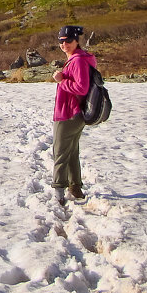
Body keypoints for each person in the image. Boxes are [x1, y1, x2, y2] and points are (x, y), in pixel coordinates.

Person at [51, 25, 96, 205]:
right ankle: (75, 188)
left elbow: (82, 88)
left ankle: (59, 193)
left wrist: (62, 81)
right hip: (74, 112)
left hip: (69, 113)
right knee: (71, 152)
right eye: (61, 41)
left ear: (77, 40)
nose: (64, 44)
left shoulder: (77, 61)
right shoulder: (79, 59)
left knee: (60, 152)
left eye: (68, 41)